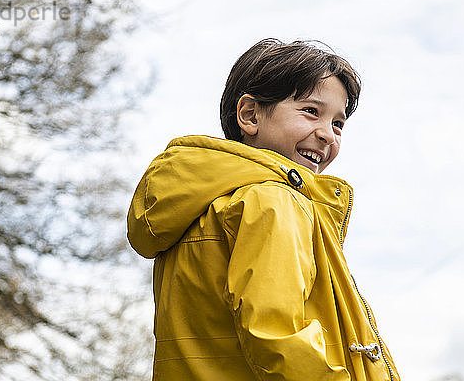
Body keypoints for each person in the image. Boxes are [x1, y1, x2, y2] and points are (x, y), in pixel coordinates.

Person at [127, 38, 401, 380]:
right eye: (311, 111)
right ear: (250, 115)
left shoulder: (201, 206)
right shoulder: (272, 201)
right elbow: (276, 334)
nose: (328, 135)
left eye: (338, 123)